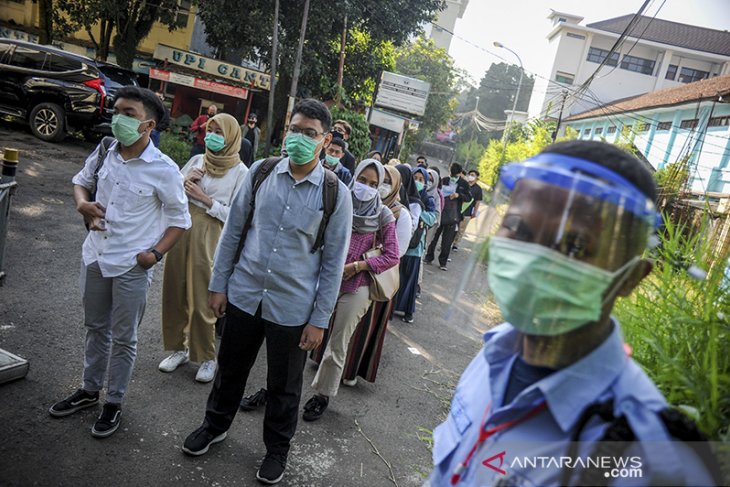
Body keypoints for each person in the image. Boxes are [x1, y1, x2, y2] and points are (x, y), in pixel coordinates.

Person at [427, 141, 718, 486]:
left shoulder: (649, 460)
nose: (534, 260)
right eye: (519, 228)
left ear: (630, 278)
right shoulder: (494, 357)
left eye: (575, 246)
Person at [182, 98, 352, 485]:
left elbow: (331, 265)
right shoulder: (260, 172)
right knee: (230, 369)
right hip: (244, 293)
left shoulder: (334, 194)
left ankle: (277, 450)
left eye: (310, 133)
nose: (300, 138)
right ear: (286, 131)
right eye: (295, 130)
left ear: (325, 141)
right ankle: (215, 425)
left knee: (284, 386)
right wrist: (218, 284)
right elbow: (233, 233)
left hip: (293, 308)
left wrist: (319, 321)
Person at [49, 86, 191, 438]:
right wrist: (82, 204)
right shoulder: (105, 151)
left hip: (132, 265)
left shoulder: (164, 170)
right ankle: (89, 389)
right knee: (95, 328)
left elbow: (180, 220)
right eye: (117, 110)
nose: (119, 118)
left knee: (124, 338)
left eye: (129, 113)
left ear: (148, 125)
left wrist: (154, 254)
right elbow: (81, 184)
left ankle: (113, 402)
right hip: (95, 256)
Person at [302, 159, 400, 421]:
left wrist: (358, 266)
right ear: (354, 177)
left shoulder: (383, 215)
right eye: (362, 180)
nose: (365, 187)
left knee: (338, 341)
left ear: (380, 187)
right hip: (325, 279)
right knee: (300, 330)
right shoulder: (339, 202)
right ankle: (276, 386)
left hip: (358, 286)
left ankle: (322, 396)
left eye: (373, 184)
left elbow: (392, 256)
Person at [158, 113, 249, 383]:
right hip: (182, 226)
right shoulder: (198, 160)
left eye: (220, 132)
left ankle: (207, 356)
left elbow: (239, 216)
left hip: (211, 233)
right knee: (175, 289)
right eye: (210, 130)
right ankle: (179, 348)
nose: (213, 136)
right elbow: (171, 190)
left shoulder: (241, 172)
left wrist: (206, 199)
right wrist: (185, 183)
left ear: (232, 136)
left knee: (202, 296)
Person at [393, 166, 436, 323]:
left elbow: (432, 219)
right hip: (402, 244)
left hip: (415, 247)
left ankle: (408, 311)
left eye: (421, 179)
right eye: (415, 178)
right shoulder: (403, 195)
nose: (417, 182)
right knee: (397, 279)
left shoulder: (427, 199)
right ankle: (393, 307)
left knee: (410, 281)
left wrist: (418, 215)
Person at [424, 163, 471, 271]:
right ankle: (429, 257)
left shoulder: (463, 184)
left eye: (455, 175)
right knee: (434, 236)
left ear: (459, 173)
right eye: (451, 174)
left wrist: (458, 195)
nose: (453, 177)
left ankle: (443, 262)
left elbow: (469, 197)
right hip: (440, 212)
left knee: (447, 240)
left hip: (453, 216)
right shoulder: (444, 180)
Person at [453, 169, 484, 250]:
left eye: (473, 175)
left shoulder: (478, 189)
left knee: (461, 229)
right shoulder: (463, 184)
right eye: (470, 174)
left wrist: (475, 212)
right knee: (453, 227)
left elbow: (478, 201)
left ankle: (456, 244)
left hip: (467, 211)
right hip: (457, 209)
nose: (471, 176)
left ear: (477, 177)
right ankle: (448, 242)